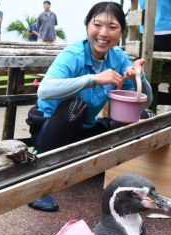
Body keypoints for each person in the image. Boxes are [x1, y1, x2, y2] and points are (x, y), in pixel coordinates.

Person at [26, 1, 152, 212]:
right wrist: (93, 79)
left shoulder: (118, 58)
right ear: (87, 26)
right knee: (76, 106)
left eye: (112, 27)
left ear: (120, 31)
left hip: (83, 128)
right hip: (51, 127)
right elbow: (44, 90)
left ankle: (119, 173)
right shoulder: (73, 54)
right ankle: (39, 183)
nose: (103, 33)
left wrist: (140, 77)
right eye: (97, 25)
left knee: (145, 115)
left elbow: (143, 101)